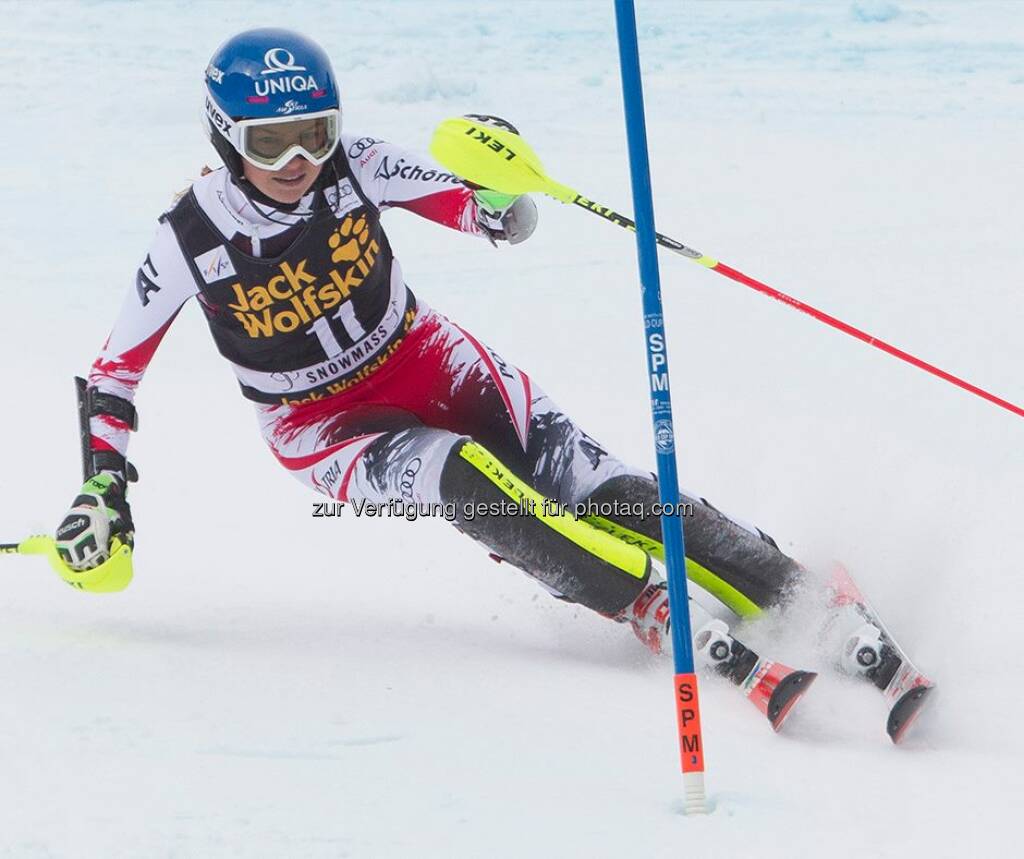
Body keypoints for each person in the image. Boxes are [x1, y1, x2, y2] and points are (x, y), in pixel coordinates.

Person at [54, 28, 810, 676]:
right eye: (269, 141)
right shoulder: (188, 236)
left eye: (313, 132)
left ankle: (790, 588)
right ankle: (644, 601)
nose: (297, 160)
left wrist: (498, 192)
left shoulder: (360, 162)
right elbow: (115, 370)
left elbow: (490, 219)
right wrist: (103, 487)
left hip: (425, 356)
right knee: (460, 474)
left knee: (594, 483)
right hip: (318, 427)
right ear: (224, 137)